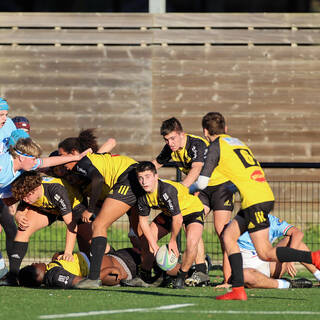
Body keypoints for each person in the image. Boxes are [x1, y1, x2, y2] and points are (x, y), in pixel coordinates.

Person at [192, 112, 320, 300]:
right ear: (226, 129)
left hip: (255, 200)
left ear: (205, 131)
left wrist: (186, 188)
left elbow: (202, 183)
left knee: (266, 253)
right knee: (228, 236)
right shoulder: (237, 142)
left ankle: (314, 258)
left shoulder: (215, 146)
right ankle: (238, 290)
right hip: (261, 194)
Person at [58, 130, 143, 289]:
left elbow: (98, 179)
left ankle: (93, 278)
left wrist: (90, 209)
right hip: (133, 176)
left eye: (62, 156)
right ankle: (155, 273)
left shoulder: (82, 162)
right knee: (138, 233)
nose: (62, 163)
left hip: (128, 178)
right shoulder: (89, 163)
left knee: (98, 225)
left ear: (74, 153)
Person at [153, 117, 234, 286]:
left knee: (222, 232)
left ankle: (230, 278)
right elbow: (155, 164)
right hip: (201, 189)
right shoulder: (170, 148)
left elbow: (197, 168)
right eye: (166, 140)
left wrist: (182, 188)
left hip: (221, 187)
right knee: (191, 221)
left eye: (173, 138)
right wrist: (133, 171)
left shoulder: (196, 144)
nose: (170, 143)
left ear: (181, 134)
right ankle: (201, 270)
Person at [0, 170, 88, 286]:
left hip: (75, 208)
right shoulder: (29, 193)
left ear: (36, 189)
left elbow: (71, 224)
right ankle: (13, 276)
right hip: (50, 210)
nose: (25, 199)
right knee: (23, 229)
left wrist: (68, 252)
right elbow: (24, 204)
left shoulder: (55, 191)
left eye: (27, 196)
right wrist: (19, 214)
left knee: (93, 242)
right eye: (22, 197)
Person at [136, 161, 205, 289]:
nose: (144, 182)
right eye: (140, 178)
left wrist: (173, 241)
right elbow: (143, 222)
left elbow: (178, 219)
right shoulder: (142, 196)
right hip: (170, 214)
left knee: (191, 243)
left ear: (156, 176)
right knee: (147, 240)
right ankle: (145, 275)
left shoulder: (166, 190)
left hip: (192, 211)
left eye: (147, 177)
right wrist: (154, 245)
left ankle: (181, 276)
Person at [216, 214, 315, 289]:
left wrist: (290, 258)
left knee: (294, 242)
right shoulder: (236, 223)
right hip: (246, 269)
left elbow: (297, 233)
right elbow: (227, 251)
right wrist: (227, 281)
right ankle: (286, 284)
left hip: (268, 264)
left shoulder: (271, 220)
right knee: (244, 276)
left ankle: (318, 275)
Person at [18, 247, 142, 288]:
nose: (33, 262)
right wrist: (108, 271)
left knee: (142, 250)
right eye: (31, 266)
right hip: (122, 266)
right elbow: (84, 283)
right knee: (144, 254)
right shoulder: (54, 275)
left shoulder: (52, 268)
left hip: (114, 257)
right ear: (37, 275)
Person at [0, 98, 18, 278]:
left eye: (6, 114)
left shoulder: (9, 125)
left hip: (4, 186)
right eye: (0, 115)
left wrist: (12, 193)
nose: (4, 118)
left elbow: (18, 152)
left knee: (10, 227)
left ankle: (12, 271)